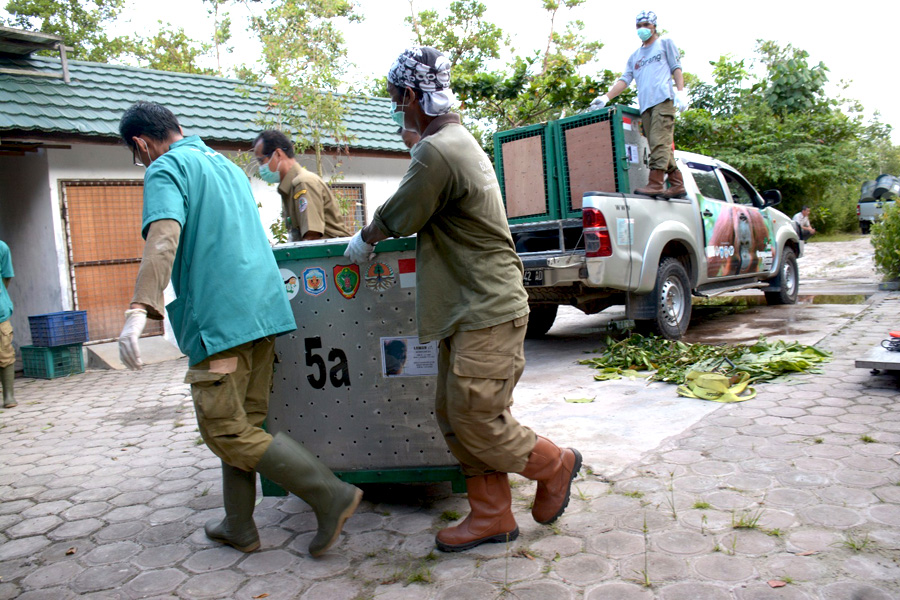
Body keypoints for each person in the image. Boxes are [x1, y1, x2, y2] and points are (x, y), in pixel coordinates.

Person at [344, 46, 582, 553]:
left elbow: (402, 211)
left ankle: (556, 464)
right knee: (457, 416)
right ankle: (492, 514)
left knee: (477, 417)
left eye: (394, 98)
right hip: (466, 307)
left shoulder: (439, 150)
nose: (393, 107)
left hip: (486, 307)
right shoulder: (453, 141)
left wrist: (367, 237)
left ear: (410, 95)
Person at [117, 101, 361, 557]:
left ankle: (332, 494)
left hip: (221, 319)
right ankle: (238, 524)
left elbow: (164, 237)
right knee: (245, 423)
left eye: (138, 154)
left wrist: (139, 307)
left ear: (141, 143)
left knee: (226, 429)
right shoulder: (225, 168)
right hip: (264, 313)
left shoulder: (165, 169)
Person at [590, 10, 689, 198]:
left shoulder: (665, 44)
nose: (642, 29)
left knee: (660, 143)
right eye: (639, 26)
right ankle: (677, 184)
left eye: (646, 25)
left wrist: (681, 91)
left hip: (663, 100)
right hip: (646, 105)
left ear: (654, 26)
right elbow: (625, 79)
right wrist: (605, 98)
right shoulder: (635, 56)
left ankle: (656, 183)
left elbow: (676, 68)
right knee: (658, 145)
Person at [252, 129, 351, 242]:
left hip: (331, 256)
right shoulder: (290, 187)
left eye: (261, 161)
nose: (261, 168)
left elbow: (312, 237)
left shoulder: (303, 183)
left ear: (278, 154)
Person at [0, 240, 15, 409]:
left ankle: (9, 394)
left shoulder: (2, 247)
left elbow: (6, 276)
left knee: (4, 352)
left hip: (0, 312)